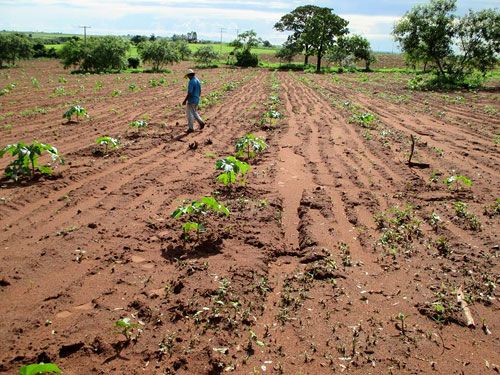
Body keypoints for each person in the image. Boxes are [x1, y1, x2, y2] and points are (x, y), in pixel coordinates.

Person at [182, 69, 205, 133]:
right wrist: (197, 97)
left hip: (192, 100)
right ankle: (200, 123)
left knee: (190, 114)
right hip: (196, 99)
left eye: (188, 76)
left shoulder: (191, 82)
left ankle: (191, 128)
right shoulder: (197, 80)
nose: (188, 78)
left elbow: (190, 93)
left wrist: (185, 100)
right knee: (194, 112)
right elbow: (200, 91)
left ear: (189, 75)